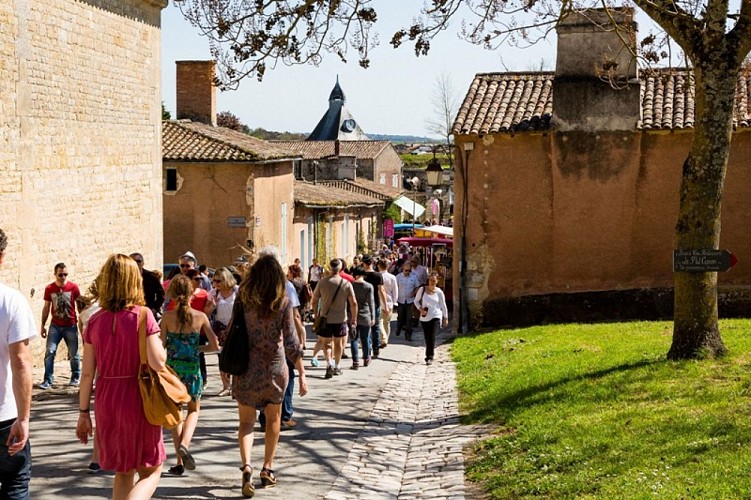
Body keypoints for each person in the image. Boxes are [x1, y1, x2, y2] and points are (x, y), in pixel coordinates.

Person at [76, 254, 167, 500]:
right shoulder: (143, 315)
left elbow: (86, 375)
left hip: (107, 398)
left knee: (123, 471)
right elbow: (158, 362)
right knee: (151, 469)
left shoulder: (93, 321)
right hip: (138, 397)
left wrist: (83, 413)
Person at [233, 254, 308, 497]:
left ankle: (246, 465)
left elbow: (233, 331)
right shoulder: (283, 302)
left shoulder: (243, 299)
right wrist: (302, 371)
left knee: (246, 423)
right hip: (275, 368)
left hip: (247, 367)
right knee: (273, 420)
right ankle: (267, 468)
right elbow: (291, 342)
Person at [161, 275, 219, 476]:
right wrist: (197, 349)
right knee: (193, 410)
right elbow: (214, 345)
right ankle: (185, 444)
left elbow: (161, 346)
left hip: (172, 372)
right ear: (191, 293)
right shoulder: (200, 316)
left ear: (172, 294)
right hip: (192, 371)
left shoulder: (167, 318)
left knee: (176, 415)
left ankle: (179, 461)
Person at [0, 228, 36, 498]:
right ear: (2, 258)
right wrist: (24, 418)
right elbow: (21, 362)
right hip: (5, 416)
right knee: (14, 484)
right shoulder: (12, 301)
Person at [311, 259, 358, 379]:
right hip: (340, 318)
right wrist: (354, 318)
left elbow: (314, 301)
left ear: (330, 268)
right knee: (338, 343)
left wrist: (316, 314)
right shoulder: (346, 283)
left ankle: (329, 363)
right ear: (341, 268)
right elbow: (353, 303)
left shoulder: (322, 282)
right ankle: (337, 366)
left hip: (325, 318)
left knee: (326, 343)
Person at [39, 262, 81, 390]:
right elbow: (46, 307)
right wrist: (42, 325)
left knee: (74, 354)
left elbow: (80, 305)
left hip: (71, 325)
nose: (63, 277)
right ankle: (48, 379)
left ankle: (75, 377)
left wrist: (83, 324)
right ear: (55, 274)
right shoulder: (49, 289)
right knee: (50, 351)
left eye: (65, 274)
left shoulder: (73, 287)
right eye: (60, 275)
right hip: (55, 326)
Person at [204, 268, 238, 396]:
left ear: (226, 280)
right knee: (222, 357)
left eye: (218, 281)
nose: (215, 284)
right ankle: (226, 386)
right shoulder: (213, 293)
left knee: (235, 357)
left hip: (235, 327)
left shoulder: (237, 291)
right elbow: (205, 313)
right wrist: (212, 305)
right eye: (214, 281)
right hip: (220, 328)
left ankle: (235, 385)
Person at [413, 272, 449, 365]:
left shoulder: (439, 292)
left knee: (432, 336)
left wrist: (445, 317)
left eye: (434, 280)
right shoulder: (422, 290)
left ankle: (430, 356)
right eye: (430, 280)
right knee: (427, 337)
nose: (432, 282)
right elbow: (416, 301)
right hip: (424, 317)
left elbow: (443, 305)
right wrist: (420, 309)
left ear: (437, 281)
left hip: (436, 316)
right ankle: (429, 353)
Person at [361, 255, 387, 358]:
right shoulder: (378, 275)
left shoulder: (361, 275)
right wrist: (385, 305)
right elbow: (381, 290)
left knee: (365, 328)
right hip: (375, 303)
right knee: (375, 327)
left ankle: (367, 349)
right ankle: (376, 349)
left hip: (363, 304)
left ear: (363, 263)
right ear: (372, 263)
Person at [349, 266, 374, 369]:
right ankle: (366, 358)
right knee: (365, 338)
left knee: (354, 339)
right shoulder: (369, 286)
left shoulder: (351, 285)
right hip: (365, 315)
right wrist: (373, 316)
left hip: (353, 315)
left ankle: (355, 361)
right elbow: (371, 302)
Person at [130, 253, 165, 320]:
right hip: (131, 312)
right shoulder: (126, 278)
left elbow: (161, 294)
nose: (136, 263)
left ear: (143, 263)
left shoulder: (151, 277)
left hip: (147, 311)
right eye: (133, 261)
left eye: (139, 261)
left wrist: (155, 309)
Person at [395, 261, 420, 341]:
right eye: (406, 270)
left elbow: (417, 286)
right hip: (401, 300)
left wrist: (413, 293)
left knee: (409, 318)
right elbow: (394, 287)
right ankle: (399, 327)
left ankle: (408, 334)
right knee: (400, 316)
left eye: (409, 270)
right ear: (403, 269)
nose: (407, 272)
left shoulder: (413, 277)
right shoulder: (398, 277)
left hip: (410, 301)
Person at [377, 259, 398, 347]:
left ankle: (383, 338)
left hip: (378, 301)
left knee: (379, 321)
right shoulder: (392, 277)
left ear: (378, 266)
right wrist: (394, 301)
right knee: (387, 322)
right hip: (389, 301)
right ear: (388, 266)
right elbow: (395, 290)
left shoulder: (377, 276)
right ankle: (385, 339)